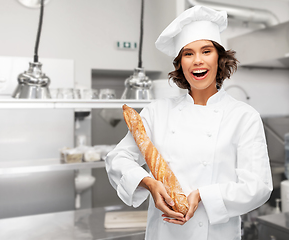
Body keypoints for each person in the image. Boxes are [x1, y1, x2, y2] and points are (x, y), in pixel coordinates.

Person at [106, 5, 272, 240]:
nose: (197, 61)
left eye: (206, 51)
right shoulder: (157, 111)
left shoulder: (244, 116)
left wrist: (204, 195)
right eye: (188, 53)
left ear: (220, 58)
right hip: (163, 233)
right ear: (180, 64)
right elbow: (117, 159)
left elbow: (258, 186)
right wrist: (149, 184)